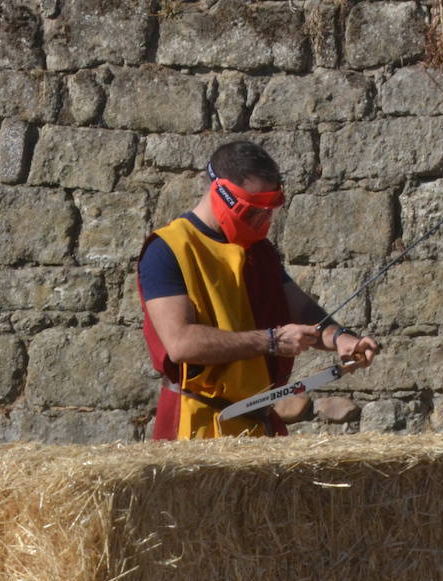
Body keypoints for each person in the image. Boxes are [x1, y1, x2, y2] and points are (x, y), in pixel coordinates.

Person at [138, 140, 379, 440]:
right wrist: (271, 341)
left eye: (269, 212)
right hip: (195, 424)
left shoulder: (259, 251)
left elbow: (300, 309)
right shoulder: (168, 249)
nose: (264, 222)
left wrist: (340, 338)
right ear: (221, 193)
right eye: (253, 212)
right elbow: (180, 342)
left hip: (254, 424)